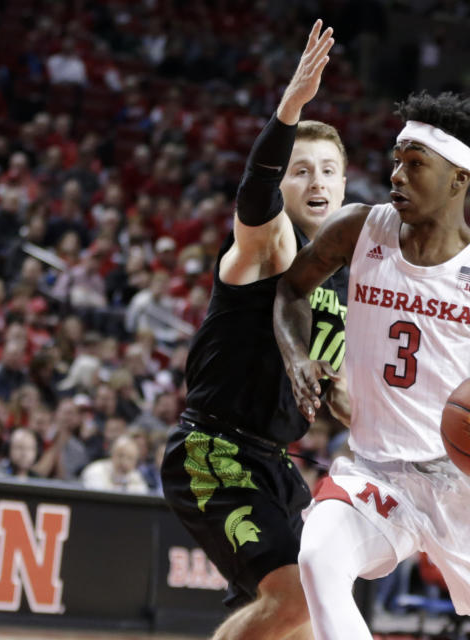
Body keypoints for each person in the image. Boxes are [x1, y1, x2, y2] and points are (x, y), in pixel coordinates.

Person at [274, 91, 470, 639]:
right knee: (318, 559)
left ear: (459, 180)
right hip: (375, 468)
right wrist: (301, 356)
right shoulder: (358, 228)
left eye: (415, 165)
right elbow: (290, 291)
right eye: (396, 160)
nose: (397, 175)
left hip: (462, 478)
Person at [160, 21, 347, 640]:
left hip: (274, 462)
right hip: (214, 450)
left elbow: (338, 391)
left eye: (328, 171)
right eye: (301, 171)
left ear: (344, 185)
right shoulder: (271, 246)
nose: (316, 182)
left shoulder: (344, 283)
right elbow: (254, 194)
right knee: (296, 600)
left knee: (315, 612)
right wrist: (290, 109)